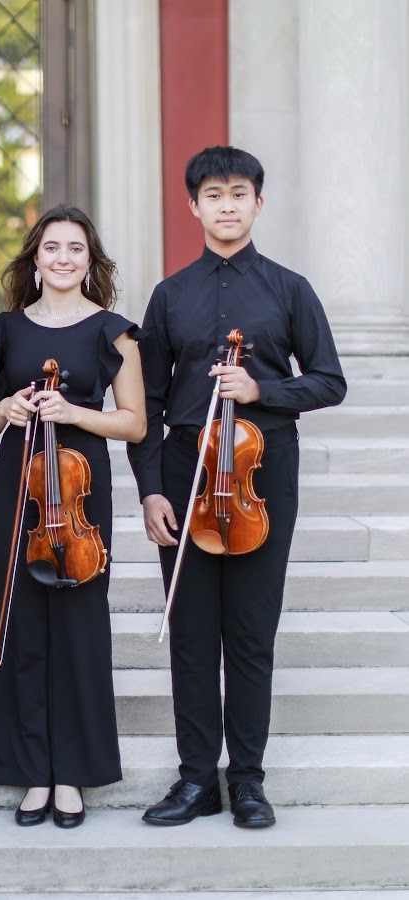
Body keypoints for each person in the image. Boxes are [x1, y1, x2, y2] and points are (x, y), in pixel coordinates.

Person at [127, 146, 347, 829]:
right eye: (213, 194)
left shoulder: (289, 289)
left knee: (250, 635)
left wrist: (262, 388)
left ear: (258, 203)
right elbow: (151, 402)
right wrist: (151, 491)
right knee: (192, 636)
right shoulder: (170, 295)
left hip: (260, 472)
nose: (227, 205)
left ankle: (247, 780)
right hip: (187, 470)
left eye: (239, 193)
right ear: (193, 206)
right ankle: (196, 780)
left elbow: (330, 380)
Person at [0, 205, 147, 828]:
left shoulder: (115, 331)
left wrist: (73, 413)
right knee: (16, 625)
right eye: (53, 248)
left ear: (90, 261)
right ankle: (29, 771)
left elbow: (134, 422)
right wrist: (10, 410)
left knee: (77, 626)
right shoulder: (4, 331)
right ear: (35, 259)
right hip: (17, 484)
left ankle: (72, 772)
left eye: (76, 249)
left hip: (79, 493)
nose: (64, 258)